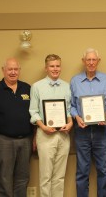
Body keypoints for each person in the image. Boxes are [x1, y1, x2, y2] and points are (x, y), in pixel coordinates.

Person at [70, 48, 106, 197]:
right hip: (81, 131)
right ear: (83, 61)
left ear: (98, 61)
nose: (91, 63)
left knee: (103, 171)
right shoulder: (74, 81)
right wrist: (76, 117)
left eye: (94, 60)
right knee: (82, 171)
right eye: (88, 60)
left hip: (102, 131)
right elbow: (71, 105)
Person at [0, 58, 34, 197]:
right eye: (10, 69)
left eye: (16, 69)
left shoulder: (27, 88)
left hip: (25, 141)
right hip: (3, 140)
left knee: (23, 178)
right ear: (3, 70)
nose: (13, 72)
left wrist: (34, 139)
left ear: (19, 70)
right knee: (4, 178)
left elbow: (35, 115)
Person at [29, 54, 73, 197]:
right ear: (46, 68)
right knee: (46, 176)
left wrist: (71, 122)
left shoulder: (67, 86)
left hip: (63, 135)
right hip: (46, 135)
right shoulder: (37, 86)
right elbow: (33, 111)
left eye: (58, 66)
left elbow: (68, 109)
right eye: (52, 66)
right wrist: (43, 126)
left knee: (59, 176)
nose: (55, 69)